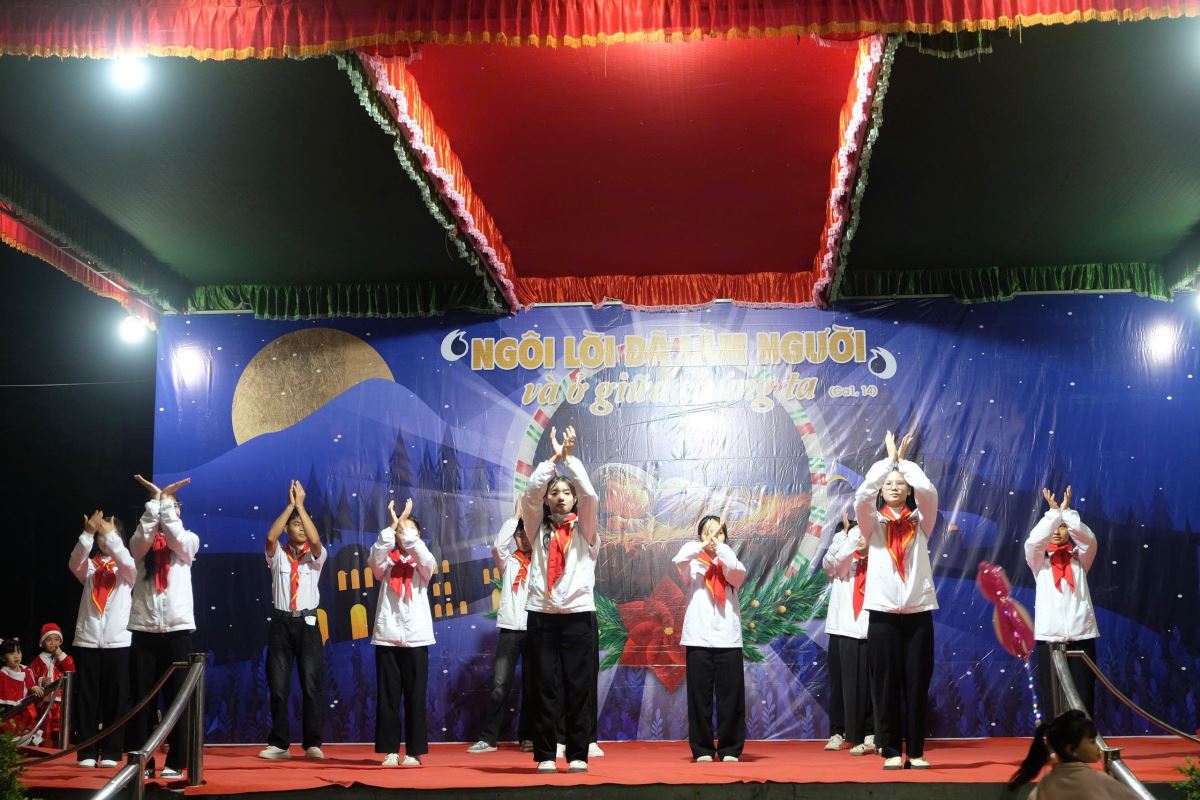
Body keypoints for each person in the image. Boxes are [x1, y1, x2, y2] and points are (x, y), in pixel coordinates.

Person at [853, 430, 940, 770]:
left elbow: (928, 491)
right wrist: (888, 462)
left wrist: (903, 464)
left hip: (918, 613)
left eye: (900, 483)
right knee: (885, 685)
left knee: (916, 684)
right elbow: (862, 496)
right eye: (888, 483)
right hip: (883, 615)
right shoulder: (871, 523)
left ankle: (915, 751)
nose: (893, 486)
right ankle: (890, 750)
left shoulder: (922, 521)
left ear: (908, 490)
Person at [519, 425, 599, 774]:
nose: (562, 497)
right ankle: (546, 754)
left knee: (578, 686)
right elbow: (529, 495)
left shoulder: (586, 528)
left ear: (574, 499)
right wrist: (553, 459)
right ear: (547, 499)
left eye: (567, 492)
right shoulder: (536, 526)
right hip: (542, 614)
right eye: (555, 492)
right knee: (544, 687)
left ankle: (578, 752)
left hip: (578, 614)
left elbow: (591, 495)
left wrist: (570, 460)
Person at [127, 473, 197, 780]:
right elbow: (138, 542)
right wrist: (156, 503)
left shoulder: (188, 540)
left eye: (174, 506)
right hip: (144, 630)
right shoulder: (141, 545)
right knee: (143, 700)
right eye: (165, 506)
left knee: (177, 699)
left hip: (177, 631)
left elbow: (177, 538)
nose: (169, 509)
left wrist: (165, 502)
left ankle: (176, 760)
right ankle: (142, 761)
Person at [259, 480, 327, 760]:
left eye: (303, 524)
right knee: (278, 686)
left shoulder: (316, 557)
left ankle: (312, 744)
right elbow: (270, 537)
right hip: (281, 624)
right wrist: (290, 506)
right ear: (287, 528)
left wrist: (301, 505)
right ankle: (279, 744)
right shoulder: (278, 556)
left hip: (308, 624)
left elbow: (315, 541)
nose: (300, 528)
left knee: (311, 685)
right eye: (295, 524)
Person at [672, 514, 747, 763]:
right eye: (707, 531)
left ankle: (730, 749)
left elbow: (735, 570)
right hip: (698, 637)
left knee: (731, 697)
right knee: (699, 696)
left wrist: (720, 547)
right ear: (699, 536)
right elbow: (679, 559)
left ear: (726, 537)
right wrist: (703, 545)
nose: (713, 537)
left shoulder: (731, 564)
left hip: (728, 639)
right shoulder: (692, 565)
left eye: (719, 532)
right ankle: (702, 749)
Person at [370, 498, 436, 767]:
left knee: (415, 697)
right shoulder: (385, 563)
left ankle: (413, 752)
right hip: (388, 637)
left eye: (410, 531)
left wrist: (405, 526)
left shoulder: (423, 563)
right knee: (388, 697)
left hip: (417, 638)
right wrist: (393, 525)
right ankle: (389, 750)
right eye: (400, 531)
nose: (404, 534)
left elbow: (424, 556)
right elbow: (375, 556)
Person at [70, 510, 137, 767]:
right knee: (87, 698)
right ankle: (86, 751)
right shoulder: (89, 567)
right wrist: (87, 534)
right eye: (101, 534)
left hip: (118, 641)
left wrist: (110, 536)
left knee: (116, 698)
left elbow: (126, 561)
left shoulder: (127, 568)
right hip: (88, 640)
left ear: (119, 537)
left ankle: (111, 751)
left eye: (110, 533)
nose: (105, 539)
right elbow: (74, 562)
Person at [1025, 486, 1099, 718]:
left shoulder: (1080, 559)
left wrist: (1066, 513)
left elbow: (1089, 539)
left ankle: (1084, 738)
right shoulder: (1039, 562)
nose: (1057, 531)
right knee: (1053, 701)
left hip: (1081, 636)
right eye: (1054, 528)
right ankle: (1057, 739)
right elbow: (1033, 542)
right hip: (1050, 639)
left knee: (1083, 699)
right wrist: (1053, 514)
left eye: (1063, 527)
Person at [467, 503, 534, 753]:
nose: (522, 538)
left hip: (535, 629)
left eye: (527, 533)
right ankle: (489, 739)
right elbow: (497, 547)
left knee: (533, 685)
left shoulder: (542, 562)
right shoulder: (508, 562)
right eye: (519, 534)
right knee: (499, 683)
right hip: (510, 629)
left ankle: (529, 737)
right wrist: (515, 517)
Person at [820, 508, 874, 756]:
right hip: (842, 628)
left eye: (863, 533)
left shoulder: (877, 558)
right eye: (855, 533)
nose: (859, 538)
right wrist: (845, 535)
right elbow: (830, 566)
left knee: (870, 684)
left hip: (869, 628)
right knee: (840, 684)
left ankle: (870, 731)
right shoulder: (843, 562)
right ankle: (838, 731)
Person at [1007, 709, 1139, 798]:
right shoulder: (1099, 781)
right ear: (1071, 750)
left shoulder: (1045, 784)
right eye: (1092, 742)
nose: (1098, 747)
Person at [29, 623, 75, 746]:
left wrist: (60, 655)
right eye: (49, 640)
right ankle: (46, 749)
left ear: (60, 641)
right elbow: (30, 678)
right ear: (42, 642)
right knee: (46, 727)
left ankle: (61, 748)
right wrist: (41, 681)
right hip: (45, 702)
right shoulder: (37, 660)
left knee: (60, 726)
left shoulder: (64, 658)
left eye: (56, 639)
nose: (53, 643)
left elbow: (71, 669)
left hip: (61, 701)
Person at [0, 638, 44, 740]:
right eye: (11, 653)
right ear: (2, 658)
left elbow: (30, 683)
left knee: (29, 737)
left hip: (25, 710)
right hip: (10, 713)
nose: (16, 656)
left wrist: (34, 687)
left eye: (18, 652)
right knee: (12, 738)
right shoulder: (2, 674)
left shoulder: (25, 669)